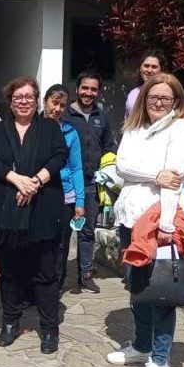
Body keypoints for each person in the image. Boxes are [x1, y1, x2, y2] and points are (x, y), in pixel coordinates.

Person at [106, 73, 184, 367]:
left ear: (175, 102)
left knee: (160, 293)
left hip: (158, 223)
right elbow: (122, 166)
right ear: (144, 98)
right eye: (153, 96)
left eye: (165, 98)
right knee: (137, 288)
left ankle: (160, 360)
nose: (158, 102)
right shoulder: (134, 127)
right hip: (130, 221)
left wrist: (168, 225)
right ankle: (142, 346)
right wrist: (155, 174)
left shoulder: (180, 130)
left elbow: (175, 179)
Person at [0, 77, 68, 354]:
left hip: (43, 209)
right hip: (6, 211)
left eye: (29, 96)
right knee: (10, 272)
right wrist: (18, 180)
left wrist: (36, 182)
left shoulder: (50, 128)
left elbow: (59, 156)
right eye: (18, 97)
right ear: (10, 101)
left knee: (45, 273)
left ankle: (49, 329)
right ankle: (10, 322)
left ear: (37, 99)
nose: (24, 101)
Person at [65, 71, 118, 292]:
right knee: (62, 234)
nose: (88, 93)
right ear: (77, 89)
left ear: (98, 92)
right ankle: (57, 278)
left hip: (91, 184)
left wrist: (107, 172)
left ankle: (85, 276)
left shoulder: (101, 117)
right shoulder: (65, 114)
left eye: (93, 89)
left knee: (87, 232)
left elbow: (109, 147)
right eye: (84, 88)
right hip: (65, 185)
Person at [43, 85, 85, 292]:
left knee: (61, 243)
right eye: (54, 103)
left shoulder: (70, 132)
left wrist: (80, 201)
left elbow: (77, 168)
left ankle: (56, 285)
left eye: (62, 105)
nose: (58, 108)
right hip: (40, 193)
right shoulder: (33, 127)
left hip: (65, 195)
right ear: (45, 101)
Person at [124, 51, 166, 119]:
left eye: (154, 67)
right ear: (140, 68)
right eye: (146, 66)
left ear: (161, 70)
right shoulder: (132, 94)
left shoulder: (167, 94)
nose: (149, 70)